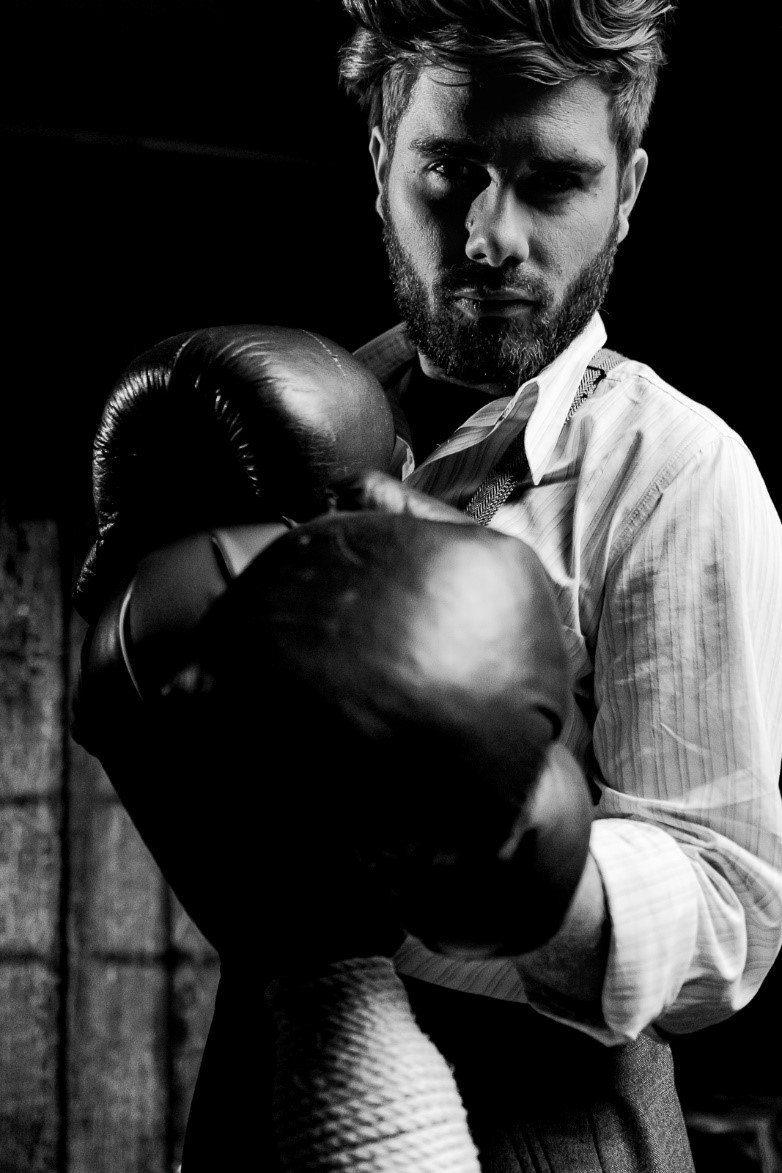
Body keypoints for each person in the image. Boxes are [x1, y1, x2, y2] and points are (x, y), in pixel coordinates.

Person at [331, 0, 782, 1166]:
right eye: (449, 169)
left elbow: (726, 910)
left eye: (551, 183)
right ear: (383, 156)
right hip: (282, 1065)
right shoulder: (289, 431)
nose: (488, 234)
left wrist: (507, 845)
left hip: (545, 1112)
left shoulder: (672, 468)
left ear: (627, 189)